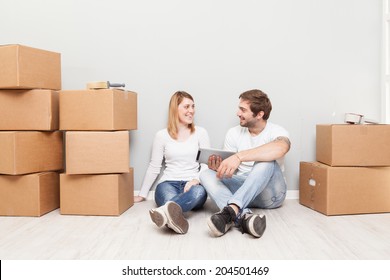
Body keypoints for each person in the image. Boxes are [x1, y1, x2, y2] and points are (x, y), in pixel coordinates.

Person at [200, 89, 290, 238]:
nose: (237, 113)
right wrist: (220, 169)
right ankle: (245, 217)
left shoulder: (277, 131)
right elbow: (231, 172)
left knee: (265, 161)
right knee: (205, 174)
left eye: (243, 110)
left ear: (259, 114)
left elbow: (281, 148)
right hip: (243, 191)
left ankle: (232, 210)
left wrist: (239, 157)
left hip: (271, 193)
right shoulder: (233, 133)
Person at [134, 91, 210, 234]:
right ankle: (173, 217)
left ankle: (163, 213)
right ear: (175, 108)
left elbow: (205, 165)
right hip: (168, 183)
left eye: (193, 107)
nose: (191, 111)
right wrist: (142, 194)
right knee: (170, 201)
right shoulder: (161, 135)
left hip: (193, 185)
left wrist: (195, 180)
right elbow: (154, 166)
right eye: (187, 107)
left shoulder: (201, 133)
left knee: (199, 192)